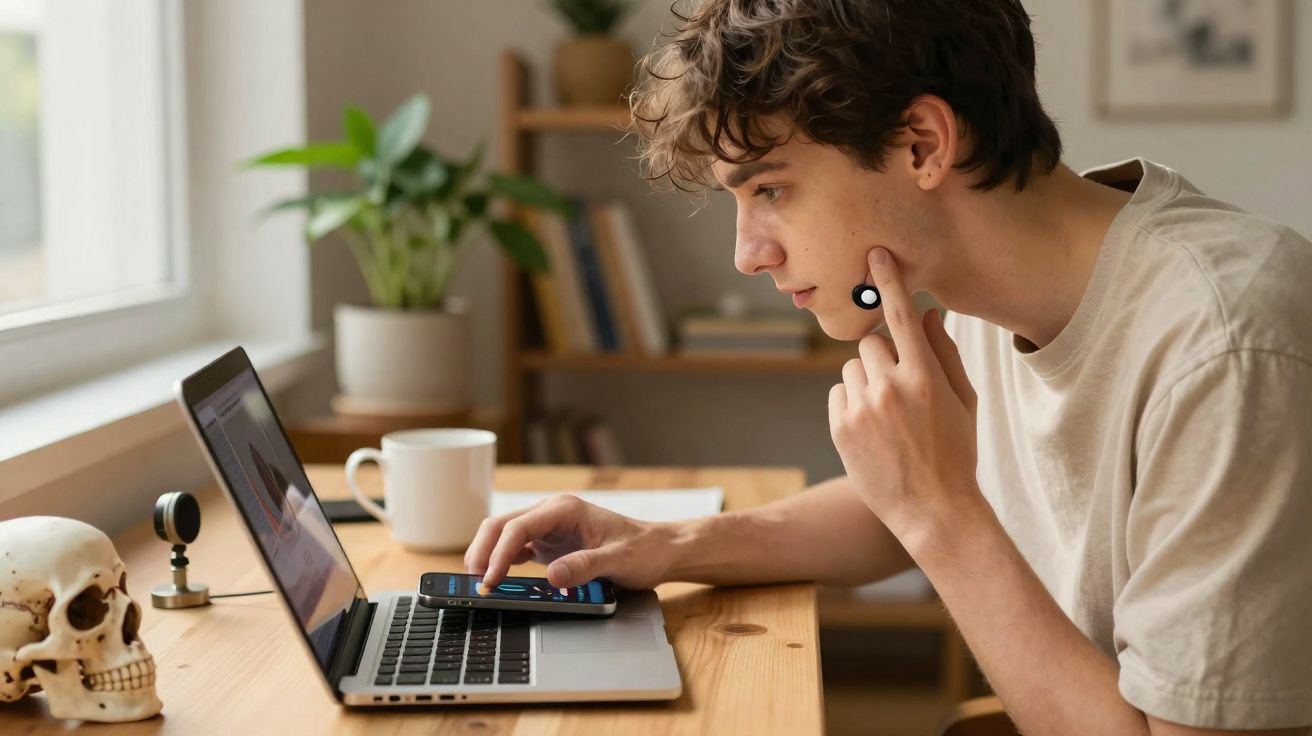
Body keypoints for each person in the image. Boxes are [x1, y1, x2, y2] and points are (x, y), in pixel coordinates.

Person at [465, 1, 1312, 732]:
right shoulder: (973, 286)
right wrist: (667, 543)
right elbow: (894, 510)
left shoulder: (1226, 342)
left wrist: (941, 513)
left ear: (920, 144)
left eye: (770, 189)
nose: (747, 256)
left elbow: (935, 505)